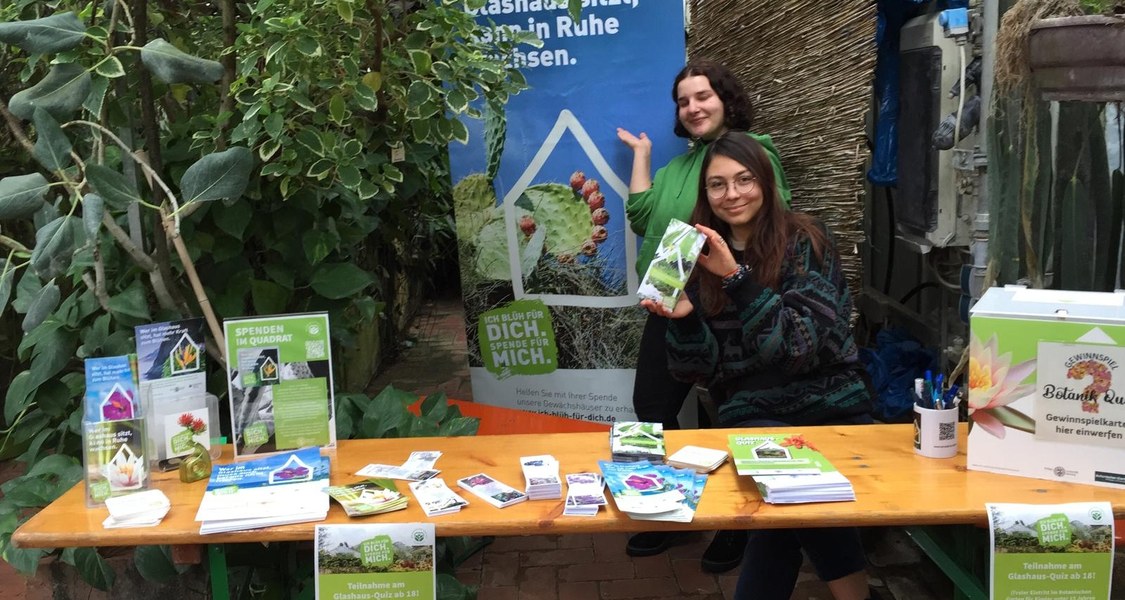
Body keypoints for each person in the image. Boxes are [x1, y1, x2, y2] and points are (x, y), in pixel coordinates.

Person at [641, 131, 876, 600]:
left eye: (744, 180)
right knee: (793, 495)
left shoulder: (806, 240)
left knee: (783, 513)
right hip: (753, 410)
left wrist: (735, 278)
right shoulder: (693, 253)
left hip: (829, 404)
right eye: (718, 184)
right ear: (704, 193)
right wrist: (684, 323)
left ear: (766, 183)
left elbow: (796, 349)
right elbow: (698, 370)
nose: (732, 195)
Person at [618, 59, 791, 570]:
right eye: (683, 100)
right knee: (651, 407)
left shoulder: (750, 154)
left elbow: (773, 226)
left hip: (732, 304)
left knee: (734, 415)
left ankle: (737, 526)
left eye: (703, 96)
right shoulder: (679, 166)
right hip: (673, 304)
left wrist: (743, 288)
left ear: (726, 99)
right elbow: (640, 212)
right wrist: (644, 155)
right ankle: (665, 508)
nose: (692, 107)